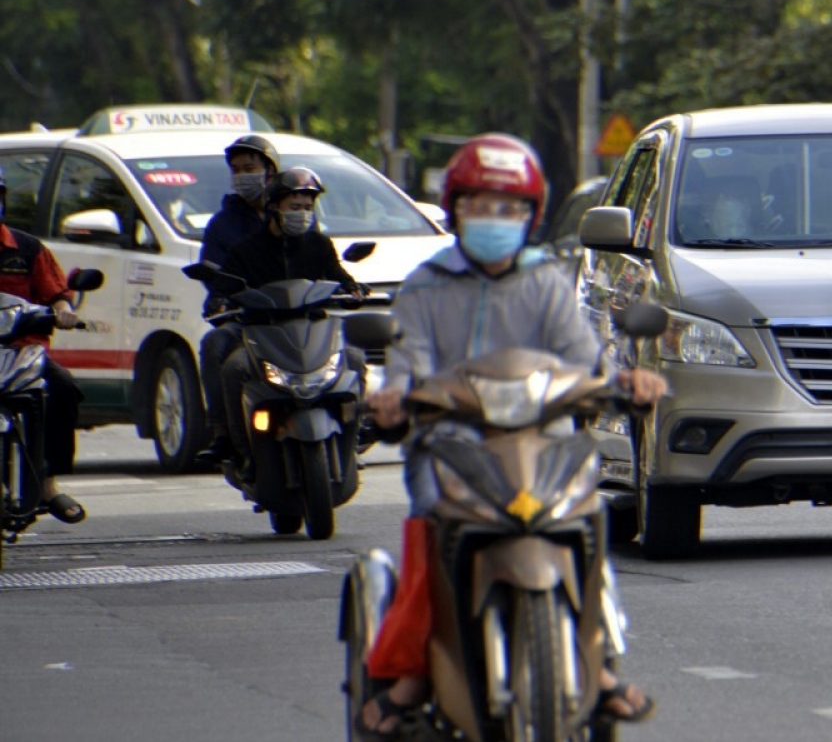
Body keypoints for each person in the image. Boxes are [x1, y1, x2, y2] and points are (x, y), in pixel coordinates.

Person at [357, 135, 662, 739]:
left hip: (544, 446)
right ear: (456, 209)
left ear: (530, 216)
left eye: (510, 208)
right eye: (481, 206)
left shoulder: (545, 281)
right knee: (429, 521)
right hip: (452, 447)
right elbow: (407, 363)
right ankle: (414, 670)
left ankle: (599, 659)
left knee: (589, 516)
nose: (495, 219)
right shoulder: (424, 286)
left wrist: (623, 381)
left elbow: (583, 359)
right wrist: (395, 396)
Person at [213, 166, 366, 472]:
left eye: (308, 208)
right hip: (262, 333)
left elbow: (338, 276)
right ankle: (234, 444)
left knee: (355, 358)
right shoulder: (245, 250)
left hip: (313, 332)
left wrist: (354, 289)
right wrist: (219, 302)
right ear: (273, 207)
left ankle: (354, 439)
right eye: (295, 207)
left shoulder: (319, 245)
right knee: (232, 366)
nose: (302, 214)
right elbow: (223, 287)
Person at [0, 167, 87, 523]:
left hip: (22, 353)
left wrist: (64, 311)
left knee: (64, 388)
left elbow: (57, 295)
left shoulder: (28, 248)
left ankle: (48, 484)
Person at [193, 134, 278, 466]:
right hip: (247, 321)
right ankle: (223, 434)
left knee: (348, 354)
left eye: (250, 168)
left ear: (270, 170)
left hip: (296, 319)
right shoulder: (223, 224)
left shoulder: (290, 213)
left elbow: (318, 260)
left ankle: (348, 431)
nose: (243, 175)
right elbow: (215, 276)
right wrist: (220, 300)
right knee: (214, 345)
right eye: (237, 170)